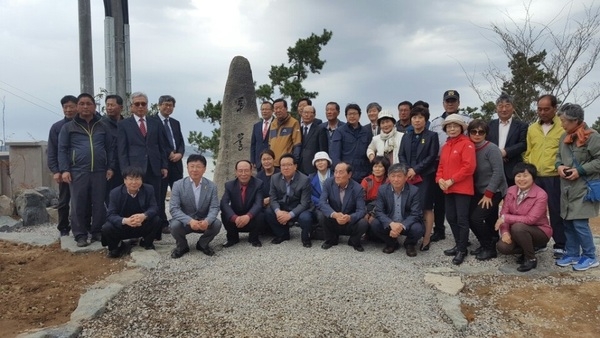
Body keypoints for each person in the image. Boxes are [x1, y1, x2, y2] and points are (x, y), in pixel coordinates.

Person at [58, 93, 115, 247]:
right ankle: (80, 234)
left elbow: (110, 148)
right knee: (78, 204)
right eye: (82, 103)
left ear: (94, 106)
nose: (85, 107)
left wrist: (110, 167)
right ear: (77, 106)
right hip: (77, 171)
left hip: (100, 171)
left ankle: (97, 231)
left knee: (98, 203)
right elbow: (62, 150)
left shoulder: (103, 126)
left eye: (88, 103)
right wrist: (64, 170)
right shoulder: (68, 127)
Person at [117, 92, 170, 238]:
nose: (140, 107)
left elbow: (162, 146)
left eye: (143, 104)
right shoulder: (124, 125)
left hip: (154, 168)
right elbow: (122, 150)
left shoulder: (155, 123)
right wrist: (125, 172)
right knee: (134, 200)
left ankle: (155, 232)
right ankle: (134, 231)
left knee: (157, 199)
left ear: (147, 106)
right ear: (131, 106)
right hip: (134, 170)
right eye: (137, 104)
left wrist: (164, 165)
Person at [555, 103, 600, 271]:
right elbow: (559, 155)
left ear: (575, 121)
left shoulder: (593, 137)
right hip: (566, 187)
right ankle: (573, 253)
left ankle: (590, 256)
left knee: (580, 223)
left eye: (564, 121)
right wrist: (559, 165)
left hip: (584, 187)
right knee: (567, 221)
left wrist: (580, 170)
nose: (562, 124)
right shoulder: (564, 137)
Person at [524, 94, 566, 258]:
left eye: (546, 109)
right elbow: (528, 151)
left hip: (554, 176)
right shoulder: (532, 128)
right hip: (535, 177)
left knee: (556, 211)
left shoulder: (563, 127)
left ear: (555, 108)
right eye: (539, 109)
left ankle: (561, 244)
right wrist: (529, 167)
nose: (542, 112)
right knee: (535, 212)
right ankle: (539, 242)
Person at [429, 90, 472, 242]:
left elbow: (469, 161)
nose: (450, 103)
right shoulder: (435, 122)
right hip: (441, 164)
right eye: (448, 101)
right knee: (441, 204)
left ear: (458, 103)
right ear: (443, 103)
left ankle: (463, 242)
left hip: (460, 168)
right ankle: (440, 230)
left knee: (461, 213)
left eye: (453, 100)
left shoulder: (468, 120)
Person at [496, 163, 552, 272]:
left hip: (539, 231)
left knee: (518, 227)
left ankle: (531, 258)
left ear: (533, 177)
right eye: (518, 176)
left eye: (525, 176)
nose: (521, 179)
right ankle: (526, 250)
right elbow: (504, 212)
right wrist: (505, 232)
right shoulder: (511, 190)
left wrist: (505, 218)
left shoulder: (541, 194)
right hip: (517, 231)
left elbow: (531, 219)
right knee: (502, 247)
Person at [436, 113, 476, 265]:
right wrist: (439, 179)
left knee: (462, 219)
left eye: (455, 126)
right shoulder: (446, 146)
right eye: (449, 126)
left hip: (462, 188)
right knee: (451, 217)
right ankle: (459, 243)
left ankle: (462, 249)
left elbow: (469, 167)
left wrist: (451, 180)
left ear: (461, 127)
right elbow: (440, 166)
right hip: (447, 187)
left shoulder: (467, 144)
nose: (452, 129)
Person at [398, 106, 439, 251]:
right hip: (408, 175)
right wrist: (408, 169)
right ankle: (411, 236)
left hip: (425, 176)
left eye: (420, 117)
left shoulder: (432, 136)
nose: (417, 120)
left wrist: (416, 169)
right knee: (410, 206)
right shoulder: (406, 136)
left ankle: (427, 238)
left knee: (426, 207)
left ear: (425, 120)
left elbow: (432, 156)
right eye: (414, 117)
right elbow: (401, 154)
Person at [467, 119, 507, 260]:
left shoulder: (492, 149)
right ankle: (487, 243)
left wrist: (489, 194)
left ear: (486, 134)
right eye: (473, 131)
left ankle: (489, 248)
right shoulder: (469, 148)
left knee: (476, 218)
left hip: (494, 190)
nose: (477, 134)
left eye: (481, 132)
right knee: (488, 219)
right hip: (478, 190)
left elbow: (498, 172)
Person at [101, 166, 162, 258]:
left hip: (141, 224)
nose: (134, 182)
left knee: (156, 220)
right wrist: (125, 220)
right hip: (124, 226)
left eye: (137, 179)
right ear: (125, 180)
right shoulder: (115, 192)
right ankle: (116, 247)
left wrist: (143, 216)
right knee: (106, 227)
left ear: (142, 180)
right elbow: (110, 214)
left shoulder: (149, 189)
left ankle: (146, 242)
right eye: (130, 179)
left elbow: (154, 208)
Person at [169, 154, 222, 259]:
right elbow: (174, 208)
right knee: (174, 225)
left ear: (204, 169)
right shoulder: (178, 185)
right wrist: (189, 221)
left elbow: (214, 207)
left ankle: (202, 244)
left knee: (216, 224)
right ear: (187, 168)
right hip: (185, 222)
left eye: (198, 166)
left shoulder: (211, 186)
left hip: (203, 221)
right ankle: (182, 246)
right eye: (192, 166)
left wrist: (207, 221)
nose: (195, 169)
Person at [371, 163, 424, 257]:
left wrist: (401, 226)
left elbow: (416, 214)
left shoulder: (414, 191)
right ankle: (392, 243)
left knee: (418, 229)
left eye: (399, 176)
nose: (396, 179)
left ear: (406, 177)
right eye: (393, 176)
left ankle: (409, 244)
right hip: (390, 221)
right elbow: (379, 211)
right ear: (388, 177)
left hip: (406, 223)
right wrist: (391, 224)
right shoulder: (383, 189)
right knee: (375, 223)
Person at [318, 162, 368, 252]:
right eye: (335, 172)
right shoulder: (328, 183)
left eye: (340, 172)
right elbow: (322, 202)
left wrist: (349, 217)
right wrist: (334, 214)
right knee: (322, 214)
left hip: (349, 221)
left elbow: (361, 210)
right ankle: (331, 240)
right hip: (334, 219)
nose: (337, 175)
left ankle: (354, 241)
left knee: (363, 222)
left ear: (349, 175)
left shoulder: (357, 188)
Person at [266, 153, 313, 247]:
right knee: (268, 212)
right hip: (283, 207)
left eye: (289, 165)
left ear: (295, 166)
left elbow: (304, 203)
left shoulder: (304, 179)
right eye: (283, 165)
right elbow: (273, 198)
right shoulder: (275, 178)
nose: (286, 168)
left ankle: (306, 238)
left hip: (299, 208)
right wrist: (278, 212)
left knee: (306, 217)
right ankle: (282, 235)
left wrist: (290, 215)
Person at [154, 95, 185, 234]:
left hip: (176, 163)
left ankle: (181, 220)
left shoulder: (175, 122)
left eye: (171, 105)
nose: (168, 107)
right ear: (159, 105)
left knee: (179, 193)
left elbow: (181, 141)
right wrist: (168, 153)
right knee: (160, 194)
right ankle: (162, 223)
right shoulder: (152, 121)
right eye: (165, 105)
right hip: (161, 163)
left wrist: (180, 153)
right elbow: (155, 142)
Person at [47, 95, 77, 236]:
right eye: (66, 107)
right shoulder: (57, 127)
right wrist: (56, 170)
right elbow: (52, 150)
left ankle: (84, 227)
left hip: (81, 169)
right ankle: (63, 228)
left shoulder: (83, 125)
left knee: (83, 201)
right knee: (64, 201)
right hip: (64, 171)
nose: (69, 110)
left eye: (71, 106)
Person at [220, 160, 264, 248]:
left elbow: (258, 203)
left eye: (246, 170)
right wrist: (235, 218)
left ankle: (254, 238)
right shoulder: (229, 185)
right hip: (236, 219)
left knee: (260, 214)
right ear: (236, 172)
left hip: (251, 218)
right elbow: (224, 203)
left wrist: (248, 216)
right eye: (240, 171)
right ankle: (232, 238)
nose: (243, 174)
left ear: (251, 171)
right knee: (225, 213)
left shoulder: (258, 184)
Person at [486, 93, 528, 187]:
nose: (504, 109)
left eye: (507, 106)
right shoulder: (489, 125)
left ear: (513, 108)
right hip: (491, 170)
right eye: (500, 106)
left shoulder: (522, 126)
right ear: (496, 108)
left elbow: (523, 144)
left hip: (513, 169)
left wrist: (505, 152)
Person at [330, 103, 373, 182]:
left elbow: (370, 151)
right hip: (346, 173)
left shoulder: (366, 132)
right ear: (346, 116)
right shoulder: (340, 131)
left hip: (363, 174)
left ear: (359, 115)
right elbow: (335, 154)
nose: (352, 116)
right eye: (349, 114)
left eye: (354, 114)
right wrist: (340, 171)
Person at [101, 94, 125, 205]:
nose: (109, 108)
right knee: (109, 198)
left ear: (121, 107)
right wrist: (109, 166)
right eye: (107, 105)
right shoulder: (101, 124)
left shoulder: (126, 124)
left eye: (112, 105)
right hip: (108, 168)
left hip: (124, 167)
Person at [269, 98, 302, 167]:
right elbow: (270, 144)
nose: (278, 110)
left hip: (286, 164)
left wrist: (294, 161)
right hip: (273, 164)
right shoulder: (273, 123)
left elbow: (297, 144)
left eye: (280, 108)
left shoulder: (294, 122)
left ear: (286, 108)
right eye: (275, 108)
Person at [308, 151, 333, 240]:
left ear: (328, 162)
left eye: (323, 160)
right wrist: (322, 203)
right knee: (321, 216)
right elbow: (309, 194)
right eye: (317, 161)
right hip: (318, 206)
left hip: (333, 204)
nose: (320, 163)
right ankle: (327, 235)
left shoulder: (335, 175)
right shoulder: (310, 177)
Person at [361, 156, 390, 225]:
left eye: (380, 167)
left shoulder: (388, 181)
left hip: (382, 208)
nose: (377, 169)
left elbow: (386, 201)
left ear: (385, 169)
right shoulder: (366, 180)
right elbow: (360, 199)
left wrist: (373, 214)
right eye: (375, 166)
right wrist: (365, 213)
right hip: (367, 207)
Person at [299, 105, 327, 175]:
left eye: (309, 113)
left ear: (314, 115)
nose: (306, 115)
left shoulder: (320, 129)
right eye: (304, 112)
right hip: (299, 166)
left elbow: (322, 149)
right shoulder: (298, 129)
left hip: (313, 166)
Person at [250, 101, 274, 170]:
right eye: (262, 109)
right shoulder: (256, 126)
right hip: (259, 162)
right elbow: (253, 144)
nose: (264, 111)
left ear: (272, 111)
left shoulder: (276, 124)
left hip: (272, 160)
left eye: (266, 109)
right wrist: (253, 160)